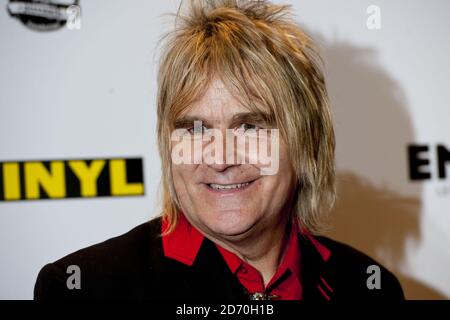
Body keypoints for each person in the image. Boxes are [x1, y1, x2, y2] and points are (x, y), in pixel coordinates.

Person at [34, 0, 404, 300]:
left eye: (251, 126)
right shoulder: (90, 290)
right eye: (195, 129)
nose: (221, 158)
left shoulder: (369, 288)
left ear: (307, 139)